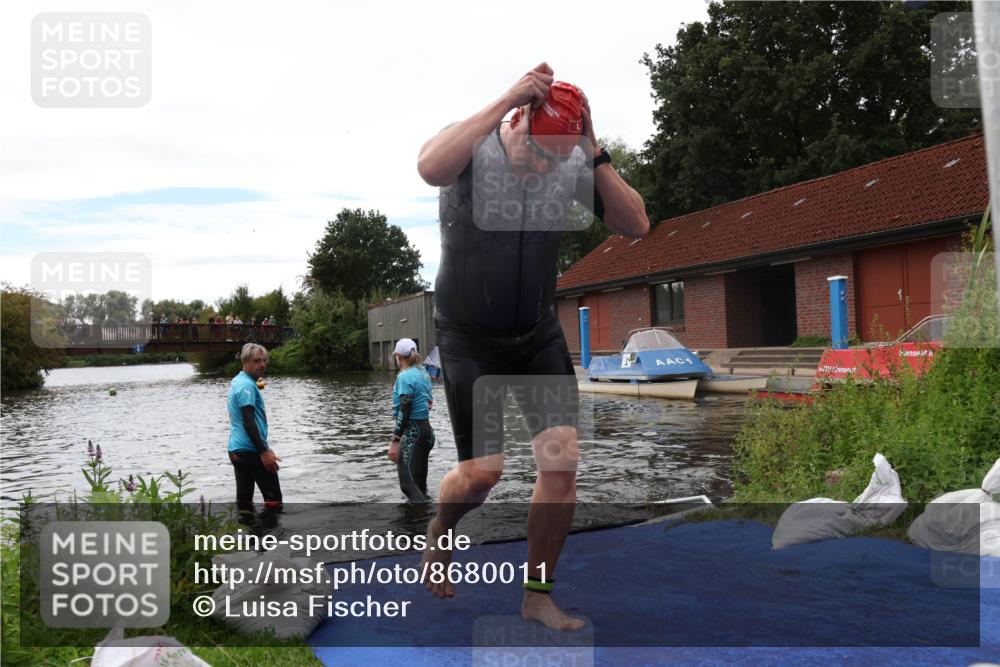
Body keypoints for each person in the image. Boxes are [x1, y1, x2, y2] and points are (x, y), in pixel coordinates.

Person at [416, 63, 650, 631]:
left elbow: (636, 224)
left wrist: (594, 153)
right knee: (482, 475)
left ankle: (537, 595)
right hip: (468, 335)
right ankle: (439, 533)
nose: (543, 167)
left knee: (562, 462)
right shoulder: (472, 145)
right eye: (537, 152)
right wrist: (505, 97)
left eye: (556, 158)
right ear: (518, 119)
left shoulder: (571, 162)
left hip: (536, 331)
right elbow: (428, 167)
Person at [227, 343, 282, 512]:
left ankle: (247, 536)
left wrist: (259, 376)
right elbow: (248, 422)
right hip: (251, 450)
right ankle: (271, 536)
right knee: (274, 500)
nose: (263, 365)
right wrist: (263, 452)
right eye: (257, 361)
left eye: (264, 360)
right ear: (245, 361)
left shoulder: (240, 380)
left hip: (237, 450)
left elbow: (261, 384)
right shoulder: (247, 387)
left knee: (244, 501)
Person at [387, 338, 436, 502]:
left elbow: (405, 408)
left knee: (407, 486)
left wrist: (395, 439)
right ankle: (423, 522)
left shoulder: (404, 377)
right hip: (426, 433)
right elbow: (429, 403)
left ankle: (431, 521)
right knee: (420, 486)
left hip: (413, 434)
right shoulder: (424, 373)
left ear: (398, 356)